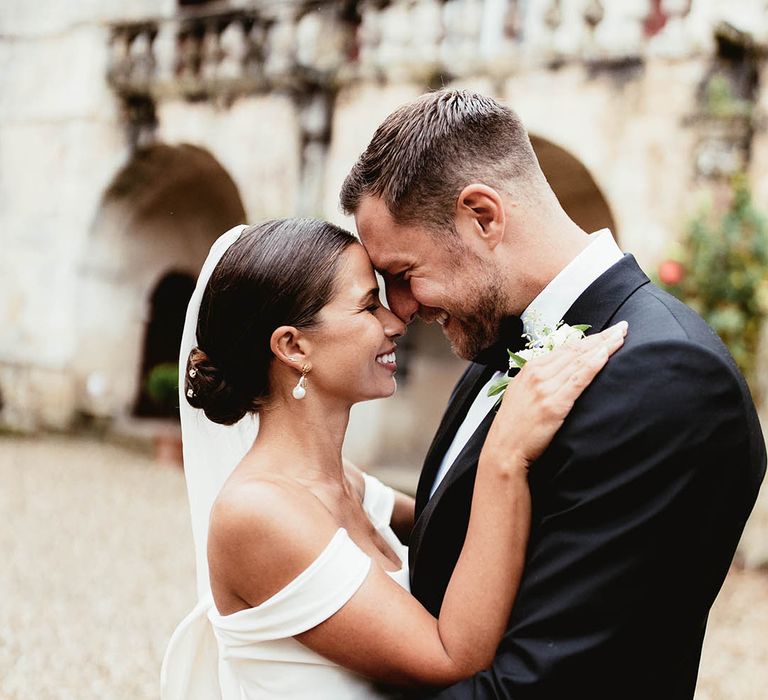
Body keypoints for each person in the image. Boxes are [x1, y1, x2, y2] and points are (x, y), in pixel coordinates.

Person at [339, 89, 767, 699]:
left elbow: (548, 684)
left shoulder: (668, 380)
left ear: (483, 216)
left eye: (405, 275)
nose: (400, 310)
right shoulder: (499, 343)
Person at [160, 218, 627, 699]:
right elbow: (452, 658)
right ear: (293, 346)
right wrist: (504, 454)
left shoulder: (345, 483)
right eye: (367, 306)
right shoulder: (258, 513)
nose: (395, 321)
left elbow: (451, 525)